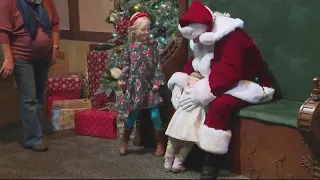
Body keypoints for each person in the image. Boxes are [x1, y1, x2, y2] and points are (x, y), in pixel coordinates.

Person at [167, 0, 275, 179]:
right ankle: (190, 153)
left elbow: (230, 73)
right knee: (190, 97)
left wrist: (199, 94)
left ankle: (212, 161)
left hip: (249, 83)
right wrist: (180, 83)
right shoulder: (201, 35)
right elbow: (194, 63)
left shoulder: (233, 37)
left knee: (219, 105)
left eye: (194, 38)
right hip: (220, 80)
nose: (193, 42)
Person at [0, 0, 60, 152]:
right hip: (22, 58)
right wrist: (8, 58)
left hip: (43, 57)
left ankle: (35, 129)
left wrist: (54, 48)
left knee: (39, 97)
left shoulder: (46, 1)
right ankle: (33, 138)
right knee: (29, 98)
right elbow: (3, 31)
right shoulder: (8, 2)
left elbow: (54, 24)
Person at [117, 12, 166, 156]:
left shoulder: (153, 45)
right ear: (134, 30)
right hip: (135, 86)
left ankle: (160, 143)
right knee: (132, 115)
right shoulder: (131, 47)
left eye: (147, 29)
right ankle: (124, 141)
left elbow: (158, 63)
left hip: (150, 86)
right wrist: (123, 79)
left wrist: (157, 82)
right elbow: (126, 65)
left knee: (155, 115)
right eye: (143, 29)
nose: (146, 32)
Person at [164, 72, 206, 173]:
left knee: (171, 142)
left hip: (178, 120)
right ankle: (177, 164)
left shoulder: (185, 91)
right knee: (187, 144)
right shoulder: (200, 95)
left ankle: (167, 164)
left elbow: (176, 103)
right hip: (191, 122)